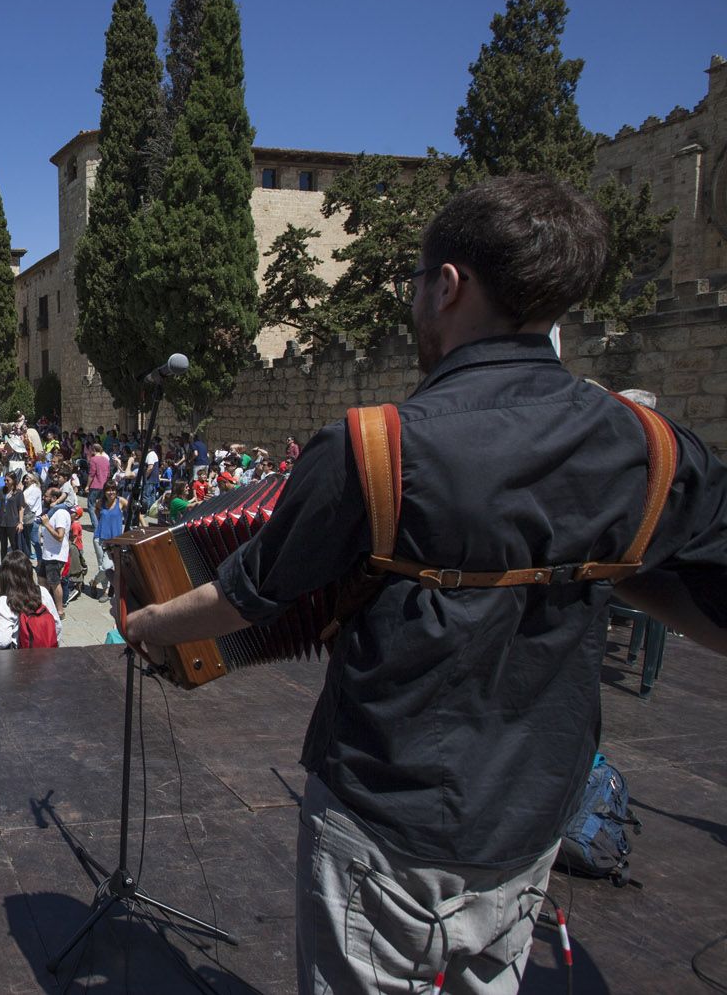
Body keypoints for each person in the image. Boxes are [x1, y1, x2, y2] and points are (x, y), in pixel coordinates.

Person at [127, 174, 727, 995]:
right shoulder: (653, 448)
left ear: (449, 285)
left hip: (386, 810)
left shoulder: (373, 445)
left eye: (417, 282)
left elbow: (248, 594)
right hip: (533, 815)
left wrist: (152, 622)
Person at [0, 553, 62, 649]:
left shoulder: (5, 601)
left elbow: (3, 641)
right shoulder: (42, 592)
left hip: (20, 658)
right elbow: (57, 625)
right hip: (46, 653)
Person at [37, 486, 71, 620]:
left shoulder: (61, 513)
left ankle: (60, 610)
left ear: (54, 498)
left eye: (46, 496)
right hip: (47, 553)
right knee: (41, 579)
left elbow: (60, 536)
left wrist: (46, 525)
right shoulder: (53, 511)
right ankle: (46, 605)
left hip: (55, 555)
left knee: (54, 582)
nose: (44, 498)